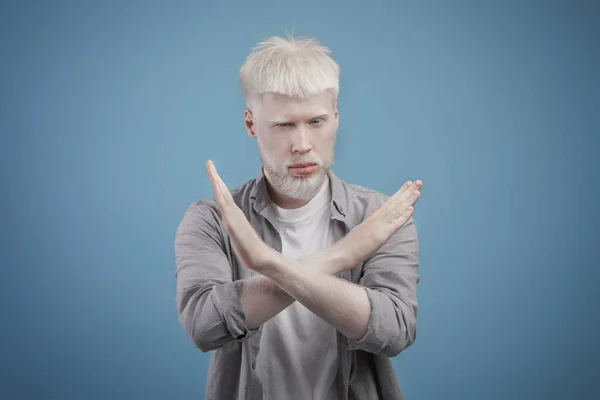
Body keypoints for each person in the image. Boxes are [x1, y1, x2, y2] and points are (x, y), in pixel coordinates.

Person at [174, 34, 423, 400]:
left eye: (316, 121)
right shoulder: (210, 220)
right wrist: (341, 255)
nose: (302, 144)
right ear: (251, 124)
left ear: (336, 119)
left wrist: (266, 263)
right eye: (284, 125)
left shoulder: (382, 217)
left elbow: (393, 331)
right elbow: (205, 326)